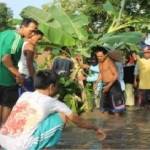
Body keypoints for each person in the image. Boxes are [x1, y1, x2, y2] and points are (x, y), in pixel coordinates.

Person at [0, 70, 106, 150]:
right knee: (62, 116)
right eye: (57, 85)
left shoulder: (25, 95)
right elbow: (78, 121)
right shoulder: (53, 103)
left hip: (3, 140)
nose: (58, 88)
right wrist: (96, 128)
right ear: (51, 87)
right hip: (21, 146)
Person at [0, 18, 38, 125]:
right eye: (32, 30)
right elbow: (5, 59)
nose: (33, 33)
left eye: (35, 31)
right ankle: (3, 138)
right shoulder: (17, 39)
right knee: (7, 108)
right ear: (22, 27)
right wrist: (18, 75)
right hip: (7, 80)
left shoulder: (5, 33)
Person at [93, 46, 125, 116]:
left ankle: (119, 125)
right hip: (105, 85)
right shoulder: (100, 62)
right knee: (105, 109)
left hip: (113, 86)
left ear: (105, 55)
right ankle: (106, 125)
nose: (99, 58)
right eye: (98, 56)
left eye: (101, 56)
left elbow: (116, 75)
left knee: (117, 109)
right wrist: (96, 82)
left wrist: (109, 86)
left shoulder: (110, 62)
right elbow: (101, 73)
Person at [18, 30, 43, 94]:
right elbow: (29, 64)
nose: (38, 41)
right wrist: (34, 78)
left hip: (22, 74)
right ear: (33, 35)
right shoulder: (30, 46)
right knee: (28, 97)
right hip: (27, 76)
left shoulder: (25, 43)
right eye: (38, 39)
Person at [133, 41, 150, 107]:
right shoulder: (139, 61)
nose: (147, 54)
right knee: (141, 102)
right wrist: (134, 81)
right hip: (142, 85)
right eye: (146, 53)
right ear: (143, 53)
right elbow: (136, 71)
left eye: (148, 53)